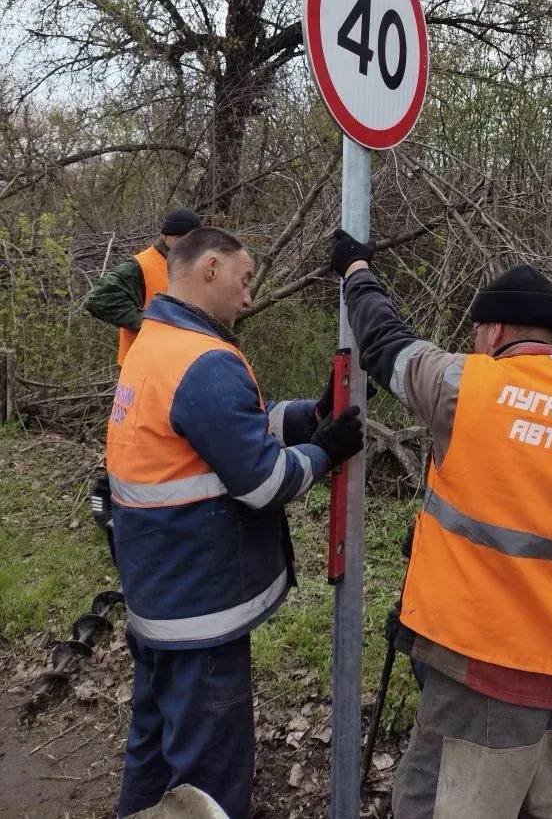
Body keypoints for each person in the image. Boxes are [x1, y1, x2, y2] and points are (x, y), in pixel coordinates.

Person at [330, 230, 552, 819]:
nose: (475, 342)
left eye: (478, 332)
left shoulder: (466, 387)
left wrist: (356, 271)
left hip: (479, 675)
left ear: (498, 331)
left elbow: (385, 346)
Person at [107, 226, 364, 819]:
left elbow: (228, 432)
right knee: (208, 778)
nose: (250, 297)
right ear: (211, 268)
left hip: (158, 600)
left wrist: (312, 414)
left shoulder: (155, 343)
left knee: (151, 751)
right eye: (246, 281)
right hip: (202, 613)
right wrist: (327, 451)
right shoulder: (204, 362)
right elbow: (264, 481)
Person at [85, 207, 203, 366]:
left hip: (178, 364)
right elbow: (98, 299)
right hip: (140, 364)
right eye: (179, 238)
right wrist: (147, 322)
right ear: (164, 235)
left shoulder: (194, 266)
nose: (186, 244)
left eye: (191, 240)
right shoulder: (139, 266)